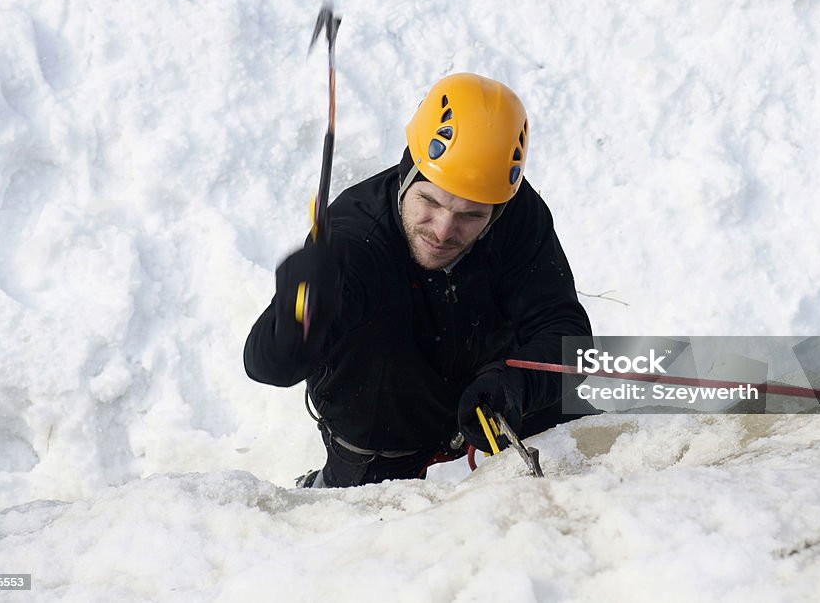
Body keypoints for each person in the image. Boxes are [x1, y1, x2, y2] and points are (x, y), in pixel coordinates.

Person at [243, 72, 593, 488]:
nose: (444, 231)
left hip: (490, 398)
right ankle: (324, 485)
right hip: (384, 425)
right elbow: (266, 365)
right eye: (430, 200)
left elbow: (571, 341)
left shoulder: (516, 214)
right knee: (372, 536)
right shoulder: (356, 241)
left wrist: (516, 384)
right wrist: (295, 312)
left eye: (471, 215)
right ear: (407, 174)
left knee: (599, 444)